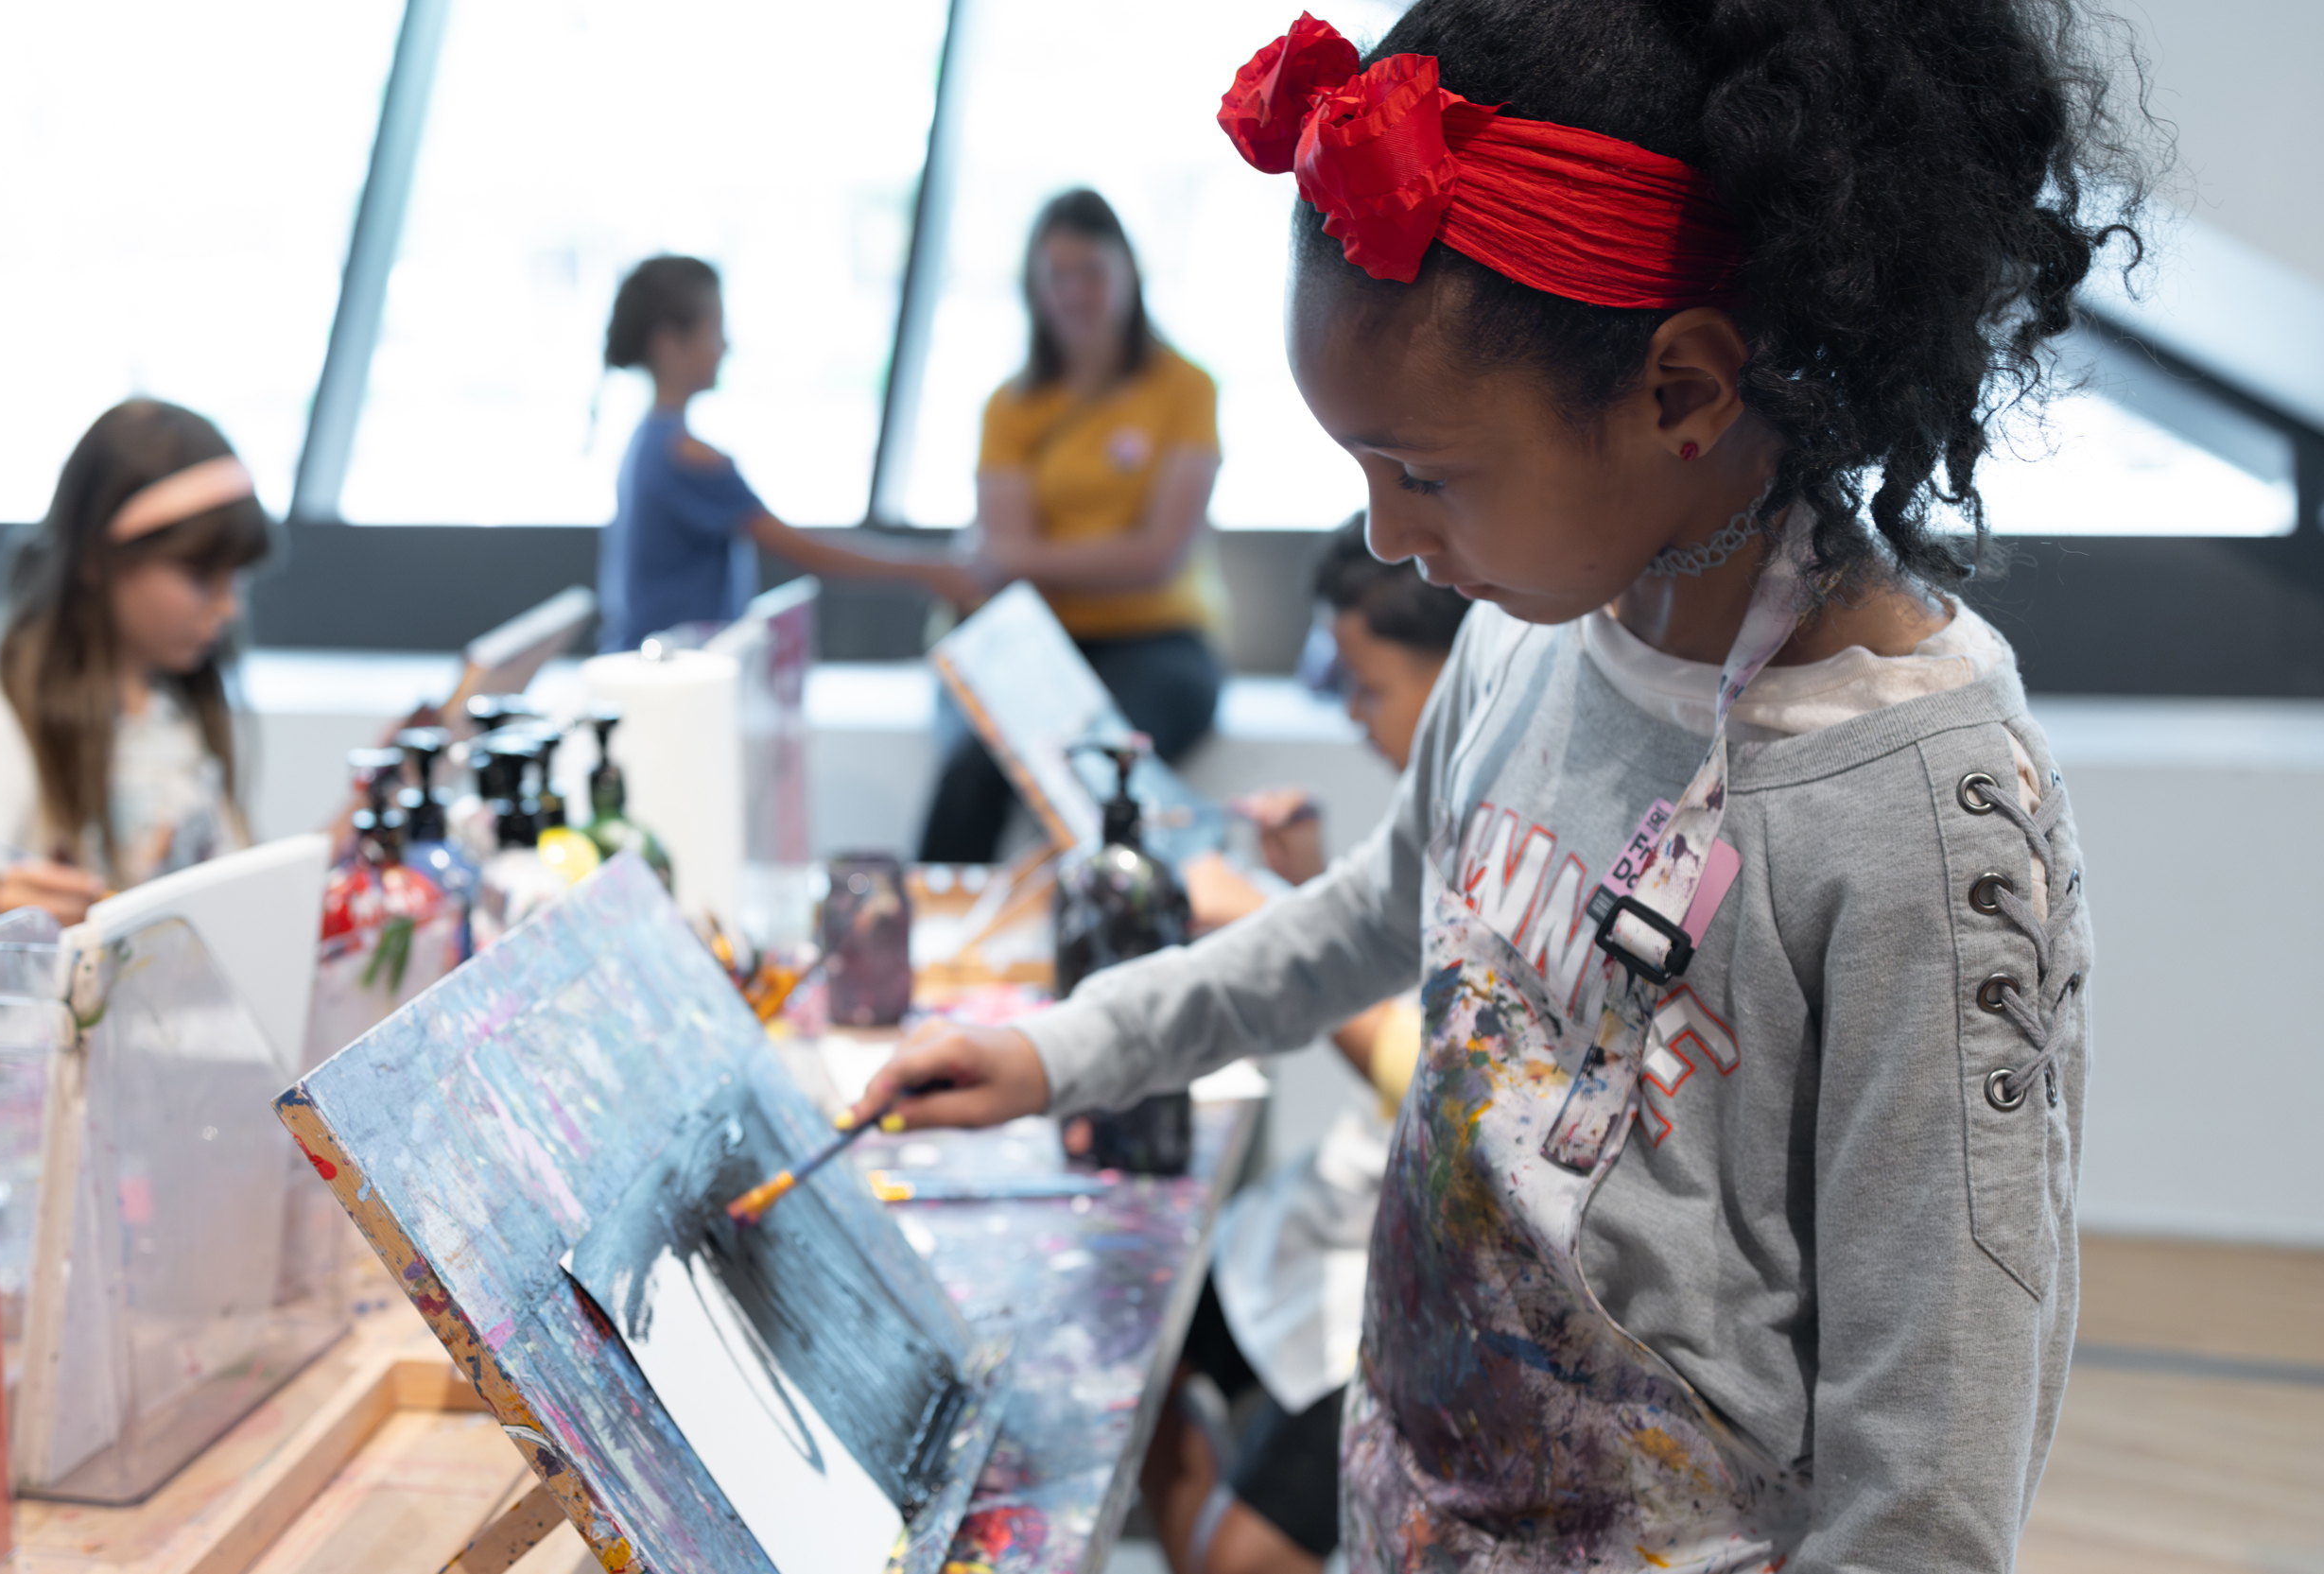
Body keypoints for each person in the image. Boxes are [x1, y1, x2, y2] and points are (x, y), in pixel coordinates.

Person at [866, 2, 2125, 1566]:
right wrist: (1066, 1051)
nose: (1389, 536)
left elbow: (1927, 1479)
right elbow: (1379, 914)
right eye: (1359, 471)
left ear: (1682, 393)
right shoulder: (1532, 645)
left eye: (1424, 472)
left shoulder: (1922, 816)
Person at [1145, 525, 1472, 1574]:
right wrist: (1307, 886)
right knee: (1130, 1370)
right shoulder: (1448, 807)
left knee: (1234, 1559)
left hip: (1407, 1284)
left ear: (1465, 672)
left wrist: (1261, 913)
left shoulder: (1523, 806)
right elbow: (1411, 972)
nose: (1352, 717)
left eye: (1370, 691)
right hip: (1325, 1218)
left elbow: (1444, 1074)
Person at [917, 189, 1226, 863]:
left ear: (1129, 274)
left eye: (1091, 272)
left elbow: (1159, 556)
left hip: (1159, 640)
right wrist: (1081, 555)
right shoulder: (1012, 403)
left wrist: (1028, 555)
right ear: (1034, 286)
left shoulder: (1185, 387)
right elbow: (1014, 551)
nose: (1074, 293)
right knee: (968, 775)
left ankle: (1128, 948)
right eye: (1057, 275)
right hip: (1039, 643)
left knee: (1107, 771)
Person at [0, 400, 270, 941]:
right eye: (200, 575)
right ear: (97, 560)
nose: (229, 607)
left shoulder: (177, 705)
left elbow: (251, 917)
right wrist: (2, 932)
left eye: (236, 576)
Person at [596, 254, 976, 652]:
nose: (725, 344)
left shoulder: (647, 442)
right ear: (668, 344)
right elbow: (804, 550)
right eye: (715, 327)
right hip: (668, 681)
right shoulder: (684, 454)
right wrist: (927, 568)